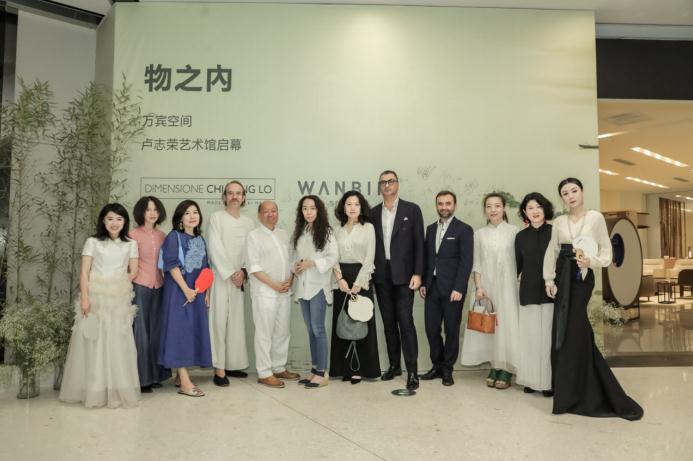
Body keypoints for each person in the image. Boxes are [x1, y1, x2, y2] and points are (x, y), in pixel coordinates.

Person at [544, 178, 643, 420]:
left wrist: (591, 261)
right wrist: (549, 280)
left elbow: (607, 252)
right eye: (565, 193)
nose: (570, 196)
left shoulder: (595, 218)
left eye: (574, 191)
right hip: (562, 276)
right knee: (565, 330)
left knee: (573, 327)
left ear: (582, 192)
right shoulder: (559, 222)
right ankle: (569, 392)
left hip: (582, 277)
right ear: (562, 198)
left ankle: (588, 389)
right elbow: (552, 251)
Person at [59, 203, 140, 408]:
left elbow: (134, 271)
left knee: (118, 340)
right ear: (103, 221)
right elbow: (84, 272)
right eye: (110, 219)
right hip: (95, 297)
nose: (115, 223)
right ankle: (94, 389)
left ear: (125, 222)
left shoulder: (130, 244)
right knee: (93, 341)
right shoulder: (93, 242)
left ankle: (117, 388)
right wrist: (85, 298)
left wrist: (118, 283)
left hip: (118, 298)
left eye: (119, 219)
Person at [460, 193, 520, 390]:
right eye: (489, 206)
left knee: (507, 325)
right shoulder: (479, 234)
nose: (493, 210)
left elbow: (520, 261)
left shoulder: (514, 232)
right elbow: (476, 263)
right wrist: (479, 287)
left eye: (497, 206)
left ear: (504, 208)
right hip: (486, 286)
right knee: (490, 326)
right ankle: (495, 365)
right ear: (484, 210)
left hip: (508, 287)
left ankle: (507, 368)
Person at [372, 170, 425, 390]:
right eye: (383, 182)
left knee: (405, 322)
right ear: (379, 186)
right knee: (388, 323)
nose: (387, 185)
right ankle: (394, 366)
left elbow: (420, 243)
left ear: (397, 184)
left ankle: (412, 371)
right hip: (381, 276)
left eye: (391, 181)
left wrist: (418, 273)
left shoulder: (411, 210)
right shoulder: (373, 212)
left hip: (405, 276)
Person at [419, 191, 474, 386]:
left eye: (448, 203)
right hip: (432, 287)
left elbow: (466, 262)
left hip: (453, 290)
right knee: (431, 329)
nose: (444, 207)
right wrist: (424, 283)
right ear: (436, 206)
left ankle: (447, 369)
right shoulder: (430, 229)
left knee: (451, 330)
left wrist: (459, 288)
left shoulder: (464, 229)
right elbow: (428, 258)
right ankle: (437, 365)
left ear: (455, 205)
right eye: (440, 204)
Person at [158, 200, 213, 397]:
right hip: (179, 292)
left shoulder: (201, 239)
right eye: (187, 213)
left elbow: (206, 268)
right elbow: (171, 265)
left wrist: (206, 292)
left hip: (197, 293)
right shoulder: (174, 237)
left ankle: (180, 377)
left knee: (190, 332)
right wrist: (186, 289)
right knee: (179, 333)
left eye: (195, 212)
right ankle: (185, 383)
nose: (192, 216)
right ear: (180, 218)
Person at [247, 201, 300, 388]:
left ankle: (278, 367)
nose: (271, 214)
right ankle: (264, 372)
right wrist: (274, 285)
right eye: (266, 211)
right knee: (264, 333)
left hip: (284, 291)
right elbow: (253, 267)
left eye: (274, 211)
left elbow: (292, 260)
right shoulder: (253, 236)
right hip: (265, 292)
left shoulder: (283, 234)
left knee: (282, 332)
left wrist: (290, 279)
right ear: (259, 215)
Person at [207, 181, 255, 386]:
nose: (234, 196)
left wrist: (243, 272)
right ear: (224, 196)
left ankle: (232, 364)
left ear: (243, 197)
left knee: (236, 323)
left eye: (238, 193)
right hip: (220, 277)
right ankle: (219, 368)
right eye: (230, 193)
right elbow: (214, 247)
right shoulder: (216, 218)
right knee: (218, 322)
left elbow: (251, 252)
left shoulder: (249, 223)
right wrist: (230, 273)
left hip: (239, 280)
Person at [331, 191, 381, 384]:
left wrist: (358, 283)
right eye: (349, 204)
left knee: (361, 323)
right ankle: (343, 368)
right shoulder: (336, 229)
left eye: (356, 204)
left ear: (362, 207)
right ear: (343, 207)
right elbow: (332, 256)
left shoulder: (368, 228)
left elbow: (370, 258)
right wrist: (340, 279)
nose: (352, 208)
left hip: (362, 278)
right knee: (342, 323)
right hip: (341, 280)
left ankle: (361, 369)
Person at [291, 195, 338, 389]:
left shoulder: (326, 231)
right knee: (310, 330)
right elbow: (294, 257)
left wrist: (312, 263)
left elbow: (333, 257)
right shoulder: (300, 232)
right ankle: (314, 369)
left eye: (312, 208)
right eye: (305, 208)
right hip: (303, 287)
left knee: (318, 329)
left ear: (319, 210)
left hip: (318, 286)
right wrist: (296, 266)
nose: (308, 212)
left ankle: (322, 373)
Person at [129, 196, 171, 393]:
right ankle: (142, 379)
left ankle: (156, 376)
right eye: (148, 209)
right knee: (141, 332)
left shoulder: (163, 236)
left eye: (155, 209)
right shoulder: (132, 235)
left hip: (160, 286)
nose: (152, 213)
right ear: (141, 212)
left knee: (157, 332)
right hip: (140, 286)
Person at [514, 192, 554, 396]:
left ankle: (548, 383)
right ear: (525, 212)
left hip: (551, 294)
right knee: (530, 339)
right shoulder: (520, 237)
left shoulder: (555, 232)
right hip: (528, 292)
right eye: (530, 208)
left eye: (538, 207)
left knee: (548, 340)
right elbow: (517, 267)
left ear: (545, 209)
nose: (535, 211)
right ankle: (530, 381)